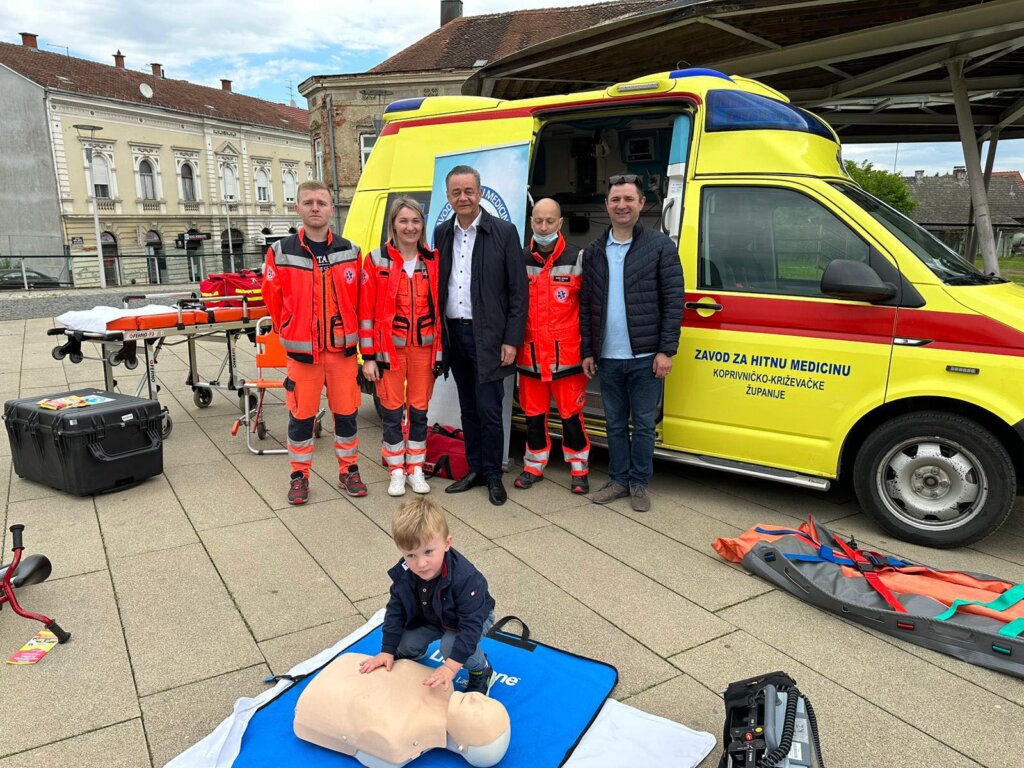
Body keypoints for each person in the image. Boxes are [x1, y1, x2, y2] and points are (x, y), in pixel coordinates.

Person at [579, 174, 684, 512]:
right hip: (608, 357)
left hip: (645, 356)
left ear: (641, 203)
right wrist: (587, 351)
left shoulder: (660, 247)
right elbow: (586, 306)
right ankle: (618, 480)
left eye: (628, 199)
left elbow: (673, 301)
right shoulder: (594, 252)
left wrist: (666, 350)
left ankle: (639, 483)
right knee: (612, 422)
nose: (621, 206)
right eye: (615, 200)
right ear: (606, 206)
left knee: (641, 424)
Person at [262, 179, 368, 505]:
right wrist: (292, 329)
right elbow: (273, 301)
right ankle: (299, 476)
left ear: (331, 209)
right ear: (298, 208)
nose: (315, 208)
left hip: (342, 353)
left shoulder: (350, 251)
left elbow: (361, 300)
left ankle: (348, 469)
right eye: (308, 202)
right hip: (303, 355)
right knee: (300, 419)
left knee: (347, 414)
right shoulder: (280, 252)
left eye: (321, 202)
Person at [435, 165, 528, 506]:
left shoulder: (503, 232)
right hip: (454, 334)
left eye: (469, 191)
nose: (463, 197)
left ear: (480, 192)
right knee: (469, 408)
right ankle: (474, 469)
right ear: (448, 196)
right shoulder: (442, 233)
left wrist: (511, 339)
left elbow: (519, 292)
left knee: (490, 410)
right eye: (456, 192)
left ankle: (493, 475)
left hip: (489, 336)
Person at [360, 496, 498, 696]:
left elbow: (471, 626)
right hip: (433, 615)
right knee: (403, 642)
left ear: (447, 543)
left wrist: (450, 668)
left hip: (470, 620)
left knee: (450, 646)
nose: (421, 563)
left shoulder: (466, 578)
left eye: (428, 552)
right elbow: (395, 610)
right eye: (411, 555)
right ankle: (417, 651)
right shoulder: (405, 571)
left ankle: (483, 670)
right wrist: (387, 650)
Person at [360, 197, 443, 497]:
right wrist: (368, 356)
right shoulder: (375, 259)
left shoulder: (433, 260)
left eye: (416, 221)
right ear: (393, 224)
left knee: (420, 412)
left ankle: (416, 468)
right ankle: (396, 470)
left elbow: (441, 310)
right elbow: (365, 312)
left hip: (424, 348)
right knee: (392, 413)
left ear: (423, 225)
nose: (410, 227)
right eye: (404, 221)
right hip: (387, 352)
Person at [513, 198, 590, 494]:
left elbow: (589, 311)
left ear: (560, 224)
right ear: (531, 222)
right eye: (538, 221)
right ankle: (533, 465)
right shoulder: (520, 259)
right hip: (530, 356)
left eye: (549, 221)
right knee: (533, 417)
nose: (543, 227)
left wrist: (588, 352)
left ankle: (579, 468)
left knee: (572, 417)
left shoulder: (577, 258)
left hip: (567, 358)